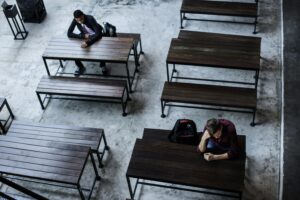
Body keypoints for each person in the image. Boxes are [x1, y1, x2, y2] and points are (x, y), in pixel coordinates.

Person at [67, 10, 106, 76]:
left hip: (95, 35)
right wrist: (82, 36)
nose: (80, 22)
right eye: (77, 20)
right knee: (75, 49)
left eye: (81, 19)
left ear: (83, 15)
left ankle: (103, 66)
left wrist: (88, 43)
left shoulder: (90, 18)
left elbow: (98, 34)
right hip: (85, 36)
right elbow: (69, 33)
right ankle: (80, 67)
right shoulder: (75, 20)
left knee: (100, 48)